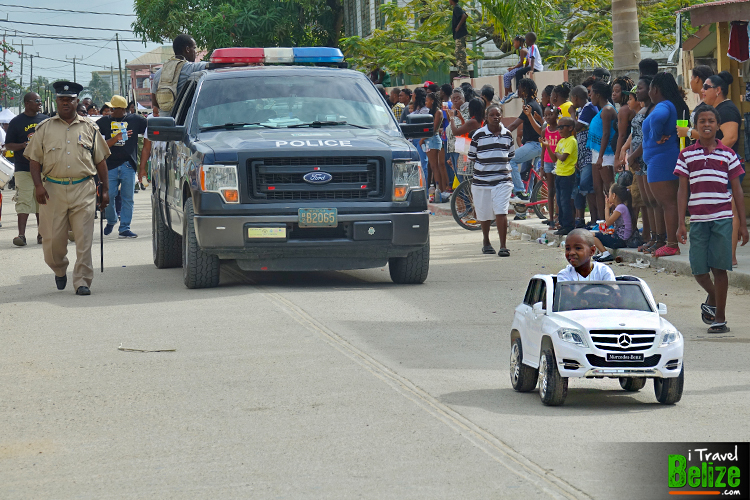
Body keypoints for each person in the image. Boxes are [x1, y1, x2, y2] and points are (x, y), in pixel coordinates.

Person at [25, 81, 111, 296]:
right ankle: (59, 268)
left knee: (84, 239)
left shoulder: (90, 127)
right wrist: (38, 186)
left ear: (77, 101)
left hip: (84, 188)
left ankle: (82, 280)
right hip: (52, 189)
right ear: (56, 101)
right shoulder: (44, 128)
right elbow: (34, 160)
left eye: (70, 99)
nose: (66, 103)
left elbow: (101, 161)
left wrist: (106, 190)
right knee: (52, 242)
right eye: (62, 99)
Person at [674, 104, 748, 333]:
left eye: (711, 121)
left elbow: (737, 190)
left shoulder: (728, 154)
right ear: (695, 127)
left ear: (717, 126)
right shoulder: (686, 154)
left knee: (719, 269)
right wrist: (679, 223)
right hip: (697, 220)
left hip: (723, 219)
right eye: (702, 121)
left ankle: (720, 319)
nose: (707, 124)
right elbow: (682, 190)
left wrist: (743, 225)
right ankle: (715, 298)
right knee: (698, 269)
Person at [643, 72, 690, 257]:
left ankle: (671, 244)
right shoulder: (672, 104)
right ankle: (667, 241)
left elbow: (656, 119)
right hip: (662, 158)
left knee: (668, 203)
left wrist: (655, 136)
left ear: (655, 89)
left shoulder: (663, 105)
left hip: (662, 160)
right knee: (667, 203)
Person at [467, 104, 515, 257]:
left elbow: (510, 155)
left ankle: (503, 246)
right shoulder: (478, 135)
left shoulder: (507, 134)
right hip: (481, 181)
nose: (495, 117)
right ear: (486, 118)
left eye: (498, 114)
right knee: (484, 214)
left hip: (503, 180)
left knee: (501, 210)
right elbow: (472, 156)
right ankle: (486, 241)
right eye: (492, 115)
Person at [97, 94, 147, 238]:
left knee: (127, 198)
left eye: (113, 109)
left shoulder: (136, 120)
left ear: (122, 109)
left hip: (128, 165)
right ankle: (112, 220)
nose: (110, 111)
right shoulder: (104, 122)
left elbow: (150, 132)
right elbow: (99, 145)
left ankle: (124, 228)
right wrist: (115, 138)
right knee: (109, 196)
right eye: (110, 108)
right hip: (109, 165)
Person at [4, 92, 48, 246]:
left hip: (43, 168)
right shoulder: (16, 122)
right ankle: (21, 236)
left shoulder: (45, 120)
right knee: (23, 200)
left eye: (40, 100)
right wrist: (23, 145)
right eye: (37, 101)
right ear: (27, 103)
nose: (40, 103)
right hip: (23, 168)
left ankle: (41, 234)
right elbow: (8, 145)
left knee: (42, 202)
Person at [150, 34, 208, 115]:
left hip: (165, 123)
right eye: (194, 48)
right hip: (183, 122)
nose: (195, 52)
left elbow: (155, 103)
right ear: (187, 49)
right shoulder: (190, 68)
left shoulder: (159, 73)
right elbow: (212, 65)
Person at [506, 78, 542, 203]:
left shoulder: (530, 106)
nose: (518, 91)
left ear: (525, 90)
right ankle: (528, 201)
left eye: (519, 88)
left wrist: (499, 135)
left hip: (535, 145)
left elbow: (514, 125)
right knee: (529, 175)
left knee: (511, 160)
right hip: (535, 145)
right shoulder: (533, 103)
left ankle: (520, 192)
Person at [587, 81, 617, 224]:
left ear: (598, 94)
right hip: (596, 153)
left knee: (609, 189)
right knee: (598, 188)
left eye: (591, 93)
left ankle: (613, 222)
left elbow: (606, 134)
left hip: (606, 154)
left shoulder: (607, 110)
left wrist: (600, 157)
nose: (590, 95)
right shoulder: (601, 110)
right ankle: (601, 222)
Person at [570, 84, 599, 228]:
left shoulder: (588, 108)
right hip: (582, 154)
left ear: (575, 98)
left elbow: (575, 127)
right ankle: (592, 219)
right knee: (585, 187)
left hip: (589, 153)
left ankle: (596, 219)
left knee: (588, 185)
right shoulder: (582, 110)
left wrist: (571, 113)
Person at [543, 117, 577, 235]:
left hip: (568, 174)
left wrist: (557, 153)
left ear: (570, 128)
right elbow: (554, 159)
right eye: (558, 127)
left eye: (562, 127)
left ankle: (568, 225)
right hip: (559, 173)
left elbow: (563, 157)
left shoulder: (571, 141)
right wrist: (548, 146)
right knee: (559, 201)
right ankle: (562, 224)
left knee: (565, 201)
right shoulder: (561, 141)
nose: (559, 129)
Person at [592, 183, 633, 262]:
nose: (608, 196)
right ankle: (601, 252)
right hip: (620, 238)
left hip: (621, 240)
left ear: (614, 195)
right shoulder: (621, 207)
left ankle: (605, 253)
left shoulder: (620, 207)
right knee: (599, 233)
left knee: (592, 236)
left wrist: (606, 208)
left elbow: (608, 223)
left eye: (609, 193)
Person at [419, 92, 449, 200]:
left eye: (427, 100)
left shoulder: (438, 112)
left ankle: (439, 191)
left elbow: (433, 129)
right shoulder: (431, 112)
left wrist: (422, 139)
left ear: (432, 100)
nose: (426, 103)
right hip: (429, 140)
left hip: (432, 140)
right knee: (432, 166)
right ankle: (438, 190)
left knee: (435, 166)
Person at [611, 76, 635, 174]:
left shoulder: (624, 110)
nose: (613, 94)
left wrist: (617, 159)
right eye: (613, 91)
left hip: (625, 155)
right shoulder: (624, 109)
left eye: (617, 91)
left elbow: (622, 135)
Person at [449, 0, 469, 77]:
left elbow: (464, 16)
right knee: (458, 53)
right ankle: (462, 72)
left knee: (460, 53)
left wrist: (458, 26)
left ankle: (464, 73)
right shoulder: (456, 8)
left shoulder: (457, 8)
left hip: (460, 34)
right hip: (459, 34)